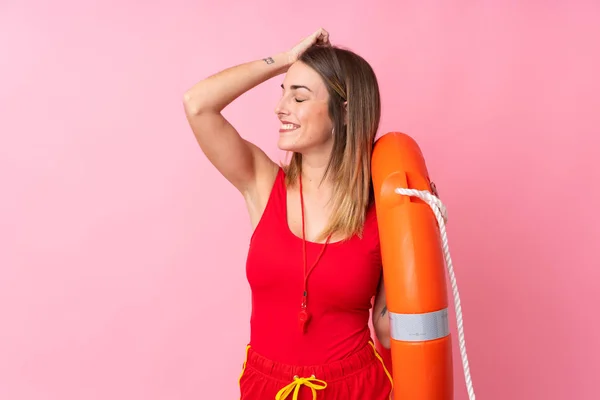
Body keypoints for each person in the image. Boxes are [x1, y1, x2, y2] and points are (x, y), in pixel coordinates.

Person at [183, 28, 393, 400]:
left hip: (356, 387)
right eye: (282, 94)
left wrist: (421, 232)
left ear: (344, 112)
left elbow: (388, 329)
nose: (281, 109)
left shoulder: (382, 212)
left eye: (298, 97)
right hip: (267, 386)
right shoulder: (263, 185)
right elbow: (197, 104)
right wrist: (284, 59)